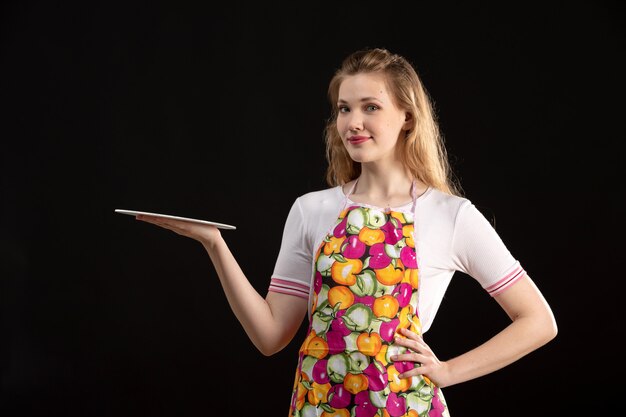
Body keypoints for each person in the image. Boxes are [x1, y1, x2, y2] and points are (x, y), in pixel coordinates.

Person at [134, 47, 557, 417]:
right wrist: (214, 244)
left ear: (407, 116)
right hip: (318, 404)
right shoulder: (311, 209)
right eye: (344, 108)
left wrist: (447, 372)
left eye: (370, 107)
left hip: (404, 407)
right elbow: (269, 337)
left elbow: (538, 321)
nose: (353, 122)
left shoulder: (451, 215)